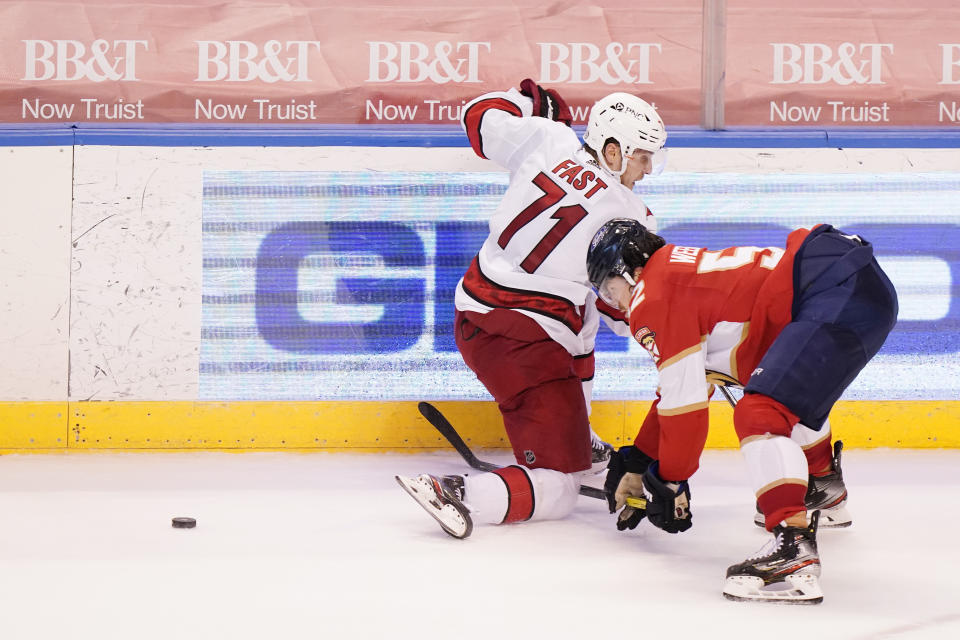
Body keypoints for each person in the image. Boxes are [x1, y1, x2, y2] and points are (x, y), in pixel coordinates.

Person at [395, 79, 667, 539]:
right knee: (558, 489)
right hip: (524, 349)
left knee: (580, 315)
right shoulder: (632, 218)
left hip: (473, 315)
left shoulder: (549, 138)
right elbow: (625, 310)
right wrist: (679, 342)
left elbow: (478, 118)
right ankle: (457, 492)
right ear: (614, 151)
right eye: (642, 156)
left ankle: (580, 439)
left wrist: (532, 102)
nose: (647, 168)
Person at [584, 219, 897, 603]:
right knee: (778, 396)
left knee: (758, 413)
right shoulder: (677, 277)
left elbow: (685, 412)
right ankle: (821, 488)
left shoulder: (651, 297)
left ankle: (792, 547)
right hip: (853, 283)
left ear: (629, 272)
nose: (612, 302)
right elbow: (681, 391)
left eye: (608, 289)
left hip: (833, 288)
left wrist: (669, 481)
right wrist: (639, 459)